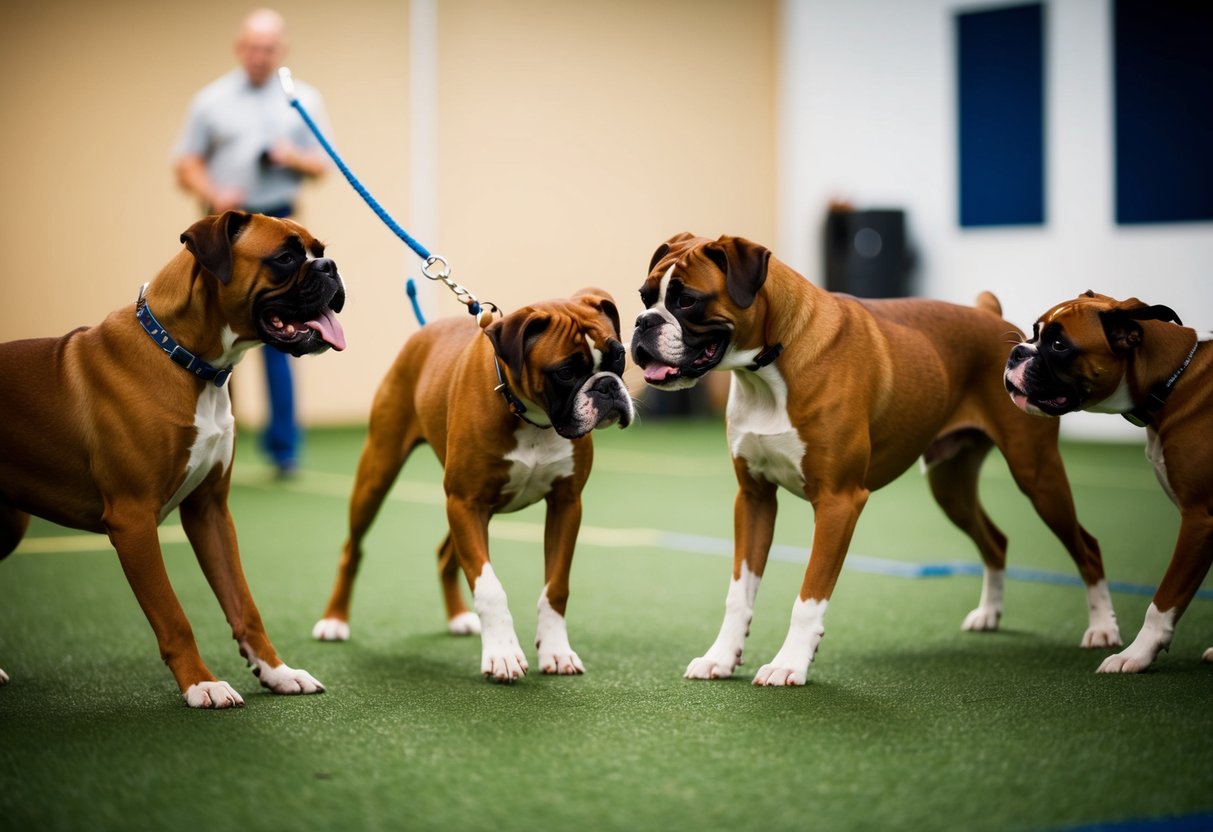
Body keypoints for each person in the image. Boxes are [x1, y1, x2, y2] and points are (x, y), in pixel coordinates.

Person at [171, 8, 331, 478]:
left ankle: (284, 449)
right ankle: (214, 437)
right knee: (212, 334)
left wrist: (292, 157)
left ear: (282, 51)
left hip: (279, 224)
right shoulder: (211, 101)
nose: (260, 56)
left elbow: (322, 164)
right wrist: (214, 191)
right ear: (241, 48)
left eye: (269, 48)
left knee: (285, 333)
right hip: (223, 229)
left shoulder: (303, 100)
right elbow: (186, 163)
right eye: (253, 48)